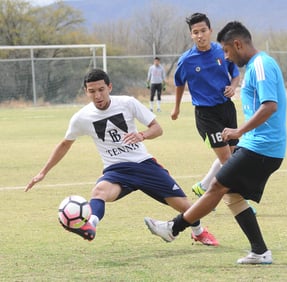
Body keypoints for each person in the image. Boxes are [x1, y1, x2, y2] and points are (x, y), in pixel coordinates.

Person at [145, 21, 287, 264]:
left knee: (216, 187)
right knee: (231, 195)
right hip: (257, 145)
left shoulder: (261, 65)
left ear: (238, 44)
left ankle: (173, 228)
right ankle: (260, 251)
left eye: (227, 51)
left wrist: (238, 130)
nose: (225, 56)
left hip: (263, 147)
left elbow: (270, 106)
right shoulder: (254, 66)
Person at [25, 68, 218, 246]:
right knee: (99, 191)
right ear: (86, 91)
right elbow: (65, 144)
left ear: (109, 87)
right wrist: (43, 172)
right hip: (116, 170)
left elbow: (157, 129)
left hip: (144, 165)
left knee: (187, 207)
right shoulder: (81, 117)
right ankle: (90, 225)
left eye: (101, 89)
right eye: (92, 91)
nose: (98, 95)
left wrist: (141, 135)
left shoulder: (127, 103)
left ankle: (198, 232)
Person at [171, 12, 255, 213]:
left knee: (233, 155)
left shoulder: (221, 52)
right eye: (195, 32)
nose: (200, 35)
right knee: (228, 159)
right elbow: (179, 83)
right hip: (206, 115)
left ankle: (204, 186)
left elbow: (235, 74)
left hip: (226, 109)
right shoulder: (186, 60)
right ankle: (240, 202)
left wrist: (233, 86)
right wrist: (176, 107)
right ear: (191, 35)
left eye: (203, 31)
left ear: (210, 31)